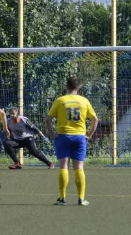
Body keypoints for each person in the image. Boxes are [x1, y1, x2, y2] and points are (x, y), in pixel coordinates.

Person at [46, 76, 98, 206]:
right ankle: (81, 199)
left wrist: (52, 135)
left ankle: (62, 198)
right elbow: (95, 119)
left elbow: (48, 119)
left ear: (66, 86)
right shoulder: (84, 101)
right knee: (79, 168)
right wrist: (89, 135)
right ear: (79, 87)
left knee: (63, 166)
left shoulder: (60, 100)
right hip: (80, 137)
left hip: (63, 136)